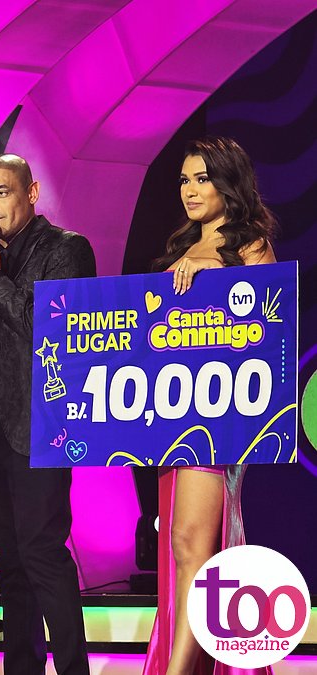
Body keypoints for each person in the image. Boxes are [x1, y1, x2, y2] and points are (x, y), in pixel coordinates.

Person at [0, 154, 94, 675]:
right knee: (9, 563)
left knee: (42, 554)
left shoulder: (66, 249)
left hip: (41, 426)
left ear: (31, 193)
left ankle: (73, 669)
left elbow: (53, 331)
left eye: (2, 192)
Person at [143, 136, 277, 675]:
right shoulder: (177, 249)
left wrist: (214, 283)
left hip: (219, 421)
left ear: (228, 183)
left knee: (192, 543)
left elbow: (267, 328)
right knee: (181, 549)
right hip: (171, 418)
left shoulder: (250, 246)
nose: (191, 190)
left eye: (203, 179)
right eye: (184, 180)